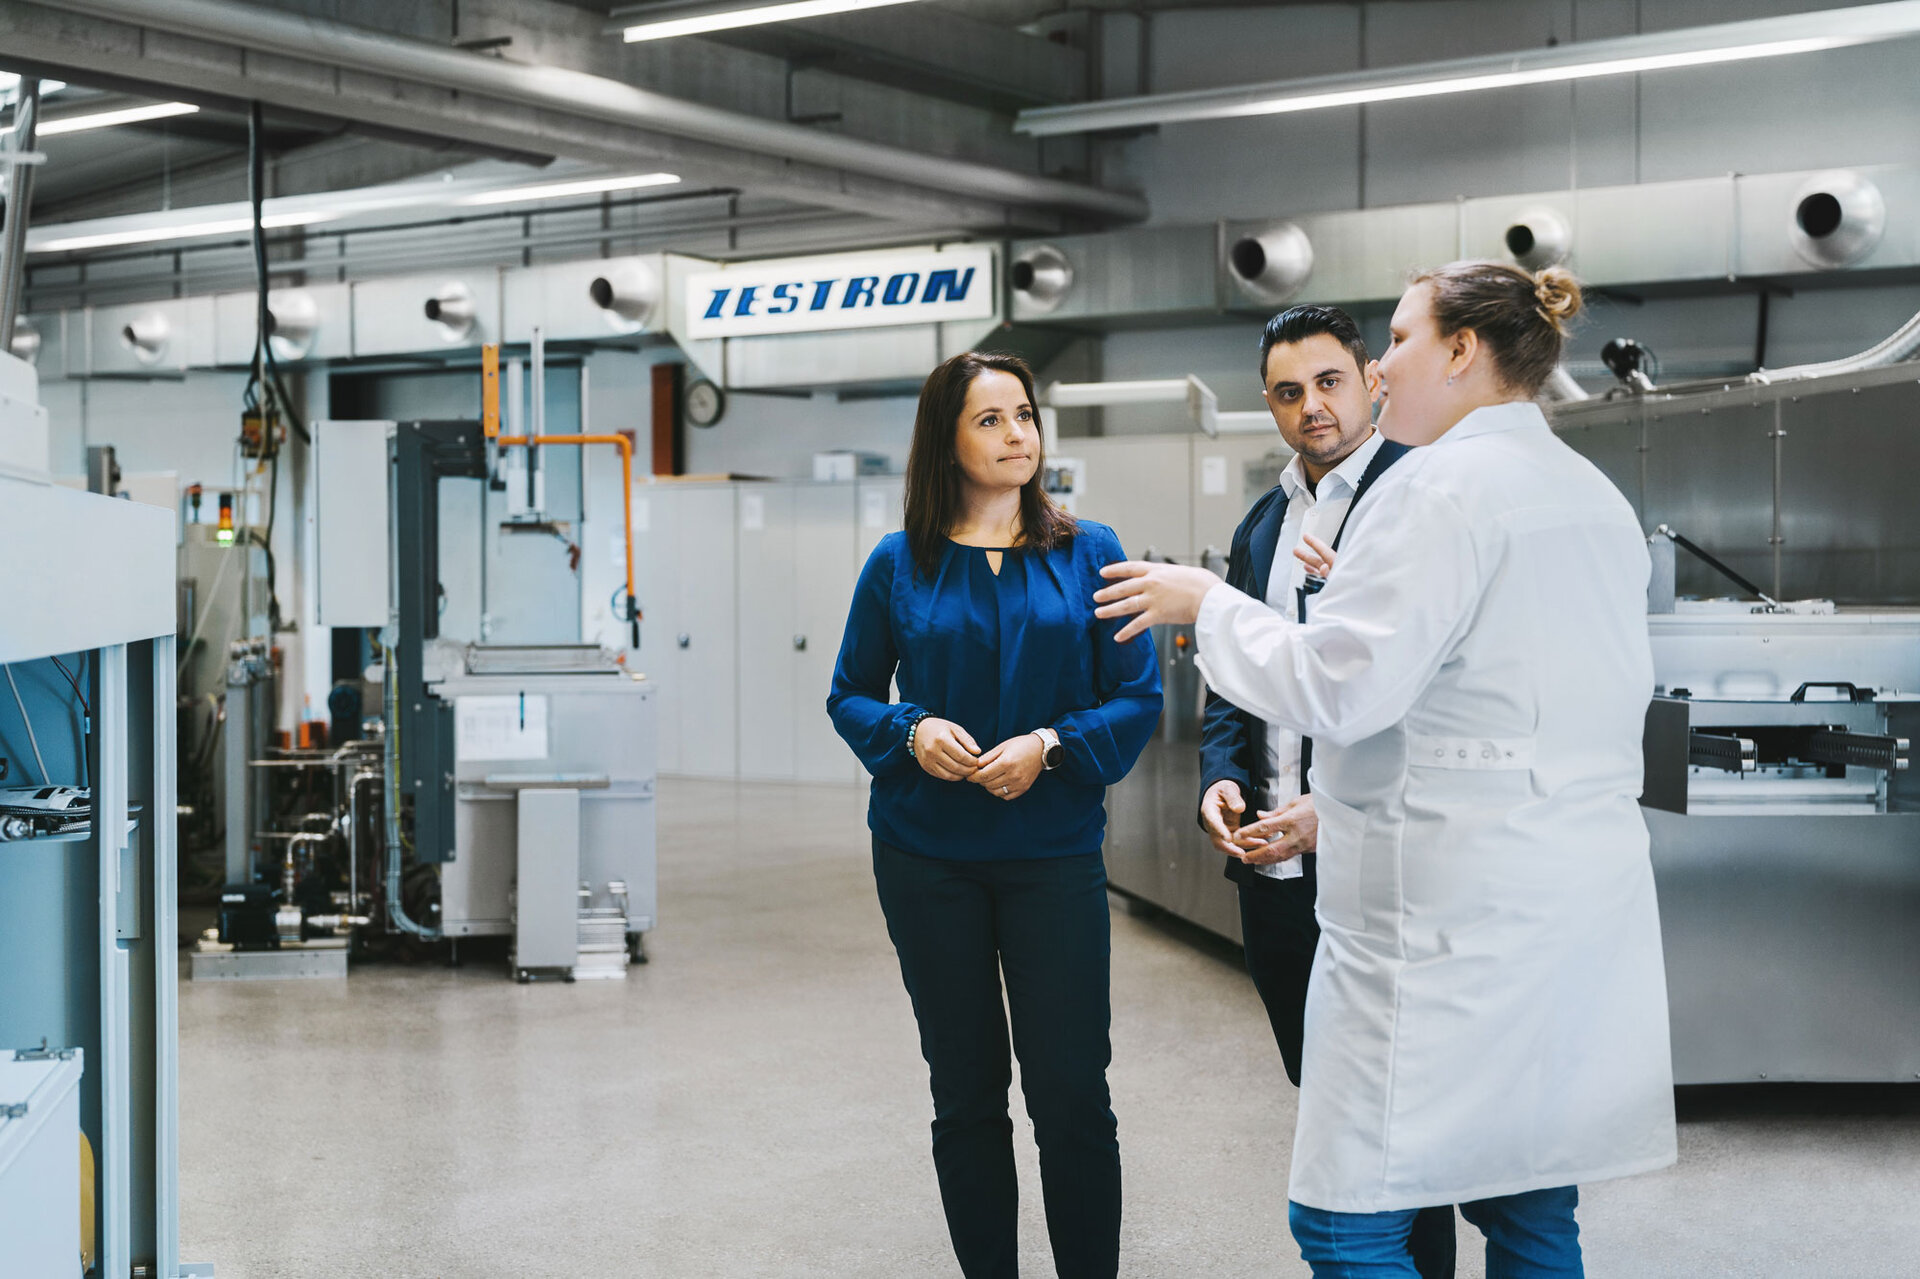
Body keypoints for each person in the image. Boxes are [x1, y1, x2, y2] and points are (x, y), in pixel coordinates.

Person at [1093, 262, 1676, 1277]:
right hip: (1560, 905)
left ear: (1461, 350)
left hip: (1444, 921)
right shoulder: (1588, 495)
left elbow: (1341, 687)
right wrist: (1338, 807)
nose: (1382, 365)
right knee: (1527, 1200)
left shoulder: (1439, 489)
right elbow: (1507, 710)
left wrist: (1209, 603)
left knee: (1346, 1218)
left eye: (1398, 341)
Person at [828, 350, 1163, 1279]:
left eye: (1025, 415)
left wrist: (1048, 747)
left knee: (1071, 1094)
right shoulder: (899, 562)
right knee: (966, 1090)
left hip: (1052, 854)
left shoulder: (1090, 549)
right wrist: (912, 727)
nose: (1020, 434)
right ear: (947, 439)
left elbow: (1137, 696)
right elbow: (849, 692)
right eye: (992, 420)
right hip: (926, 856)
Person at [1199, 304, 1454, 1279]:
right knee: (1330, 1102)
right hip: (1276, 878)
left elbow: (1438, 689)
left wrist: (1334, 813)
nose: (1313, 406)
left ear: (1371, 378)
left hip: (1385, 871)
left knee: (1401, 1121)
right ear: (1267, 403)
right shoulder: (1264, 523)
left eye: (1330, 381)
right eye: (1289, 391)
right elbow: (1236, 683)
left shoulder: (1420, 498)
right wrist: (1222, 780)